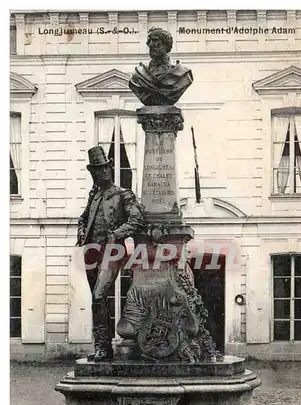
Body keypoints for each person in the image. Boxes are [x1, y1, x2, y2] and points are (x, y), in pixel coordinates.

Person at [76, 146, 145, 361]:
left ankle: (106, 348)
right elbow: (83, 218)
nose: (103, 172)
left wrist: (116, 233)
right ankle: (102, 347)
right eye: (98, 170)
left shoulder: (123, 195)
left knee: (98, 295)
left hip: (112, 251)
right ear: (93, 174)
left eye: (105, 168)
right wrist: (81, 233)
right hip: (91, 251)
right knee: (97, 300)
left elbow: (137, 220)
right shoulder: (94, 197)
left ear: (110, 169)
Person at [129, 27, 193, 106]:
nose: (151, 45)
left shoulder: (183, 73)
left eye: (155, 40)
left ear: (166, 44)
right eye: (149, 41)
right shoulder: (138, 75)